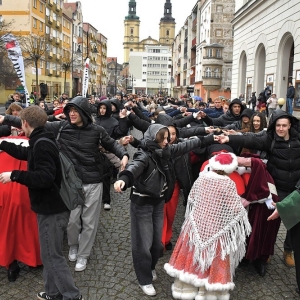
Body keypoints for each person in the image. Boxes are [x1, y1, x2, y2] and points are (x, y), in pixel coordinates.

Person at [0, 96, 129, 273]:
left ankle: (83, 254)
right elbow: (34, 122)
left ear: (83, 112)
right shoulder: (61, 127)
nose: (72, 114)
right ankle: (73, 246)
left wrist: (123, 154)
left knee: (89, 222)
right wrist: (6, 118)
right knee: (72, 221)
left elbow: (112, 144)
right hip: (71, 184)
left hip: (93, 182)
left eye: (75, 110)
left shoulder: (97, 131)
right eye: (70, 111)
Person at [114, 124, 216, 297]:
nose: (167, 141)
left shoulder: (167, 150)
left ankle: (151, 266)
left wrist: (211, 138)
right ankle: (144, 279)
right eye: (163, 138)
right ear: (155, 138)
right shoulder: (144, 154)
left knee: (157, 244)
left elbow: (188, 144)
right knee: (142, 245)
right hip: (142, 204)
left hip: (158, 203)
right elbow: (134, 167)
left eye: (168, 137)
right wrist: (124, 179)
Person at [0, 106, 84, 300]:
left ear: (25, 124)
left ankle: (72, 295)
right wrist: (3, 145)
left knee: (52, 256)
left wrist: (14, 175)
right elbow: (26, 154)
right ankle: (53, 293)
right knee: (48, 254)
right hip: (50, 207)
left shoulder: (42, 143)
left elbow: (44, 178)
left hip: (52, 209)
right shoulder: (41, 139)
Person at [218, 109, 300, 269]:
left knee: (294, 222)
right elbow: (251, 140)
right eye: (278, 126)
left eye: (284, 125)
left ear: (290, 125)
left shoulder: (298, 140)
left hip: (295, 189)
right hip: (276, 187)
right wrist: (229, 138)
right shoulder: (270, 140)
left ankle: (288, 250)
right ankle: (265, 252)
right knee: (270, 222)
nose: (281, 129)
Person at [164, 152, 251, 300]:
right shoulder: (228, 183)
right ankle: (208, 293)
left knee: (191, 257)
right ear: (230, 169)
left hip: (196, 225)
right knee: (214, 258)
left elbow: (191, 199)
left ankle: (185, 289)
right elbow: (236, 210)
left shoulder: (202, 178)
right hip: (216, 228)